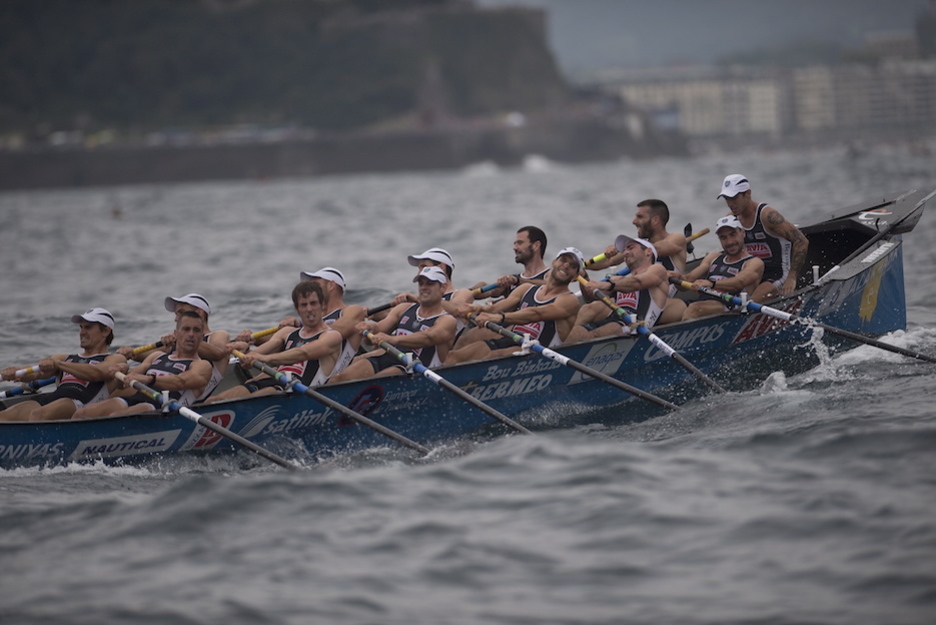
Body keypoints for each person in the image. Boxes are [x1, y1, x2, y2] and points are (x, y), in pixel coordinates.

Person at [444, 248, 584, 364]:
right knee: (453, 357)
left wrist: (500, 318)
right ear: (554, 262)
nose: (566, 266)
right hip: (511, 340)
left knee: (491, 357)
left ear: (575, 276)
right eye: (564, 260)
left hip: (537, 355)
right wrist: (478, 308)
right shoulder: (527, 289)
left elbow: (537, 313)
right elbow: (495, 308)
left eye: (573, 266)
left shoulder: (569, 300)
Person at [211, 280, 343, 399]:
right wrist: (246, 351)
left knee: (266, 391)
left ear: (322, 305)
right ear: (297, 310)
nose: (309, 309)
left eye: (313, 303)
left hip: (296, 393)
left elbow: (304, 353)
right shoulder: (287, 333)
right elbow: (260, 352)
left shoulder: (331, 336)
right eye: (303, 305)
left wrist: (265, 359)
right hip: (273, 381)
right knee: (224, 397)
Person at [72, 310, 213, 418]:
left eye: (196, 330)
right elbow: (124, 383)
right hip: (135, 399)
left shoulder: (202, 365)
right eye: (186, 329)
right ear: (176, 334)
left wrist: (149, 379)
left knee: (115, 417)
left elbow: (181, 382)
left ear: (202, 336)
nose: (191, 334)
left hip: (160, 409)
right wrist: (123, 370)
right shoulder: (157, 356)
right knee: (82, 414)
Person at [330, 266, 458, 381]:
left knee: (375, 381)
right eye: (421, 283)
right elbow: (378, 331)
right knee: (340, 378)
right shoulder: (404, 308)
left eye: (430, 284)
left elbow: (428, 337)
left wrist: (393, 339)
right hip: (390, 356)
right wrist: (369, 327)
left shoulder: (447, 320)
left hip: (417, 369)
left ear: (443, 287)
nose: (424, 287)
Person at [0, 308, 126, 421]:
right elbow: (36, 373)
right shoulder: (63, 358)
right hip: (52, 401)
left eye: (88, 327)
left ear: (106, 331)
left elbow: (97, 373)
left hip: (80, 405)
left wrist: (59, 365)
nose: (82, 332)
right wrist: (15, 372)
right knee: (4, 417)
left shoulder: (114, 359)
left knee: (39, 415)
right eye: (81, 327)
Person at [238, 267, 366, 373]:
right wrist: (253, 339)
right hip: (300, 367)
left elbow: (335, 332)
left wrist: (299, 325)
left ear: (331, 285)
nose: (310, 289)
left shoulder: (351, 311)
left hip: (329, 376)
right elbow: (288, 341)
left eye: (315, 283)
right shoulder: (313, 321)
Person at [588, 198, 688, 323]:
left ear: (655, 220)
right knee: (592, 308)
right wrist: (580, 265)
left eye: (640, 217)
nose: (634, 221)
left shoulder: (676, 238)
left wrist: (628, 250)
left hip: (660, 305)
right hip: (636, 300)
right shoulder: (640, 248)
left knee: (680, 306)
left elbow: (657, 248)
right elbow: (608, 262)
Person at [117, 293, 229, 401]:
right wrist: (129, 353)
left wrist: (183, 339)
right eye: (176, 314)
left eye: (181, 312)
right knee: (118, 390)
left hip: (188, 395)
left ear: (199, 312)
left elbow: (219, 353)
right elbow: (150, 356)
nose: (176, 319)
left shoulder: (218, 335)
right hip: (166, 388)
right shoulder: (178, 343)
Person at [717, 174, 808, 302]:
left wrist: (792, 277)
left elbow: (801, 241)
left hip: (777, 274)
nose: (730, 203)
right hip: (751, 273)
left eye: (734, 197)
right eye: (726, 198)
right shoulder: (731, 219)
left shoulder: (767, 216)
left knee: (750, 304)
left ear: (747, 193)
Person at [565, 235, 669, 343]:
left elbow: (638, 282)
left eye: (630, 248)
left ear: (648, 251)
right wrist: (584, 277)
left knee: (594, 335)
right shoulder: (618, 279)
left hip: (637, 328)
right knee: (575, 332)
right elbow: (590, 296)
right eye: (624, 250)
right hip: (614, 320)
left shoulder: (658, 270)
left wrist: (606, 284)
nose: (625, 253)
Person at [680, 216, 765, 320]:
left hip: (731, 307)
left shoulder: (753, 262)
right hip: (703, 302)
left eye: (732, 235)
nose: (729, 242)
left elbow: (739, 282)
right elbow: (687, 280)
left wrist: (712, 284)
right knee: (668, 308)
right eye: (723, 238)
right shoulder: (714, 257)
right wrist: (673, 276)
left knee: (694, 309)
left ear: (742, 232)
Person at [471, 226, 550, 298]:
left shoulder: (551, 274)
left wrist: (518, 281)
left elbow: (551, 285)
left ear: (536, 245)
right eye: (514, 244)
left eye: (520, 243)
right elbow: (489, 290)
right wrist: (468, 292)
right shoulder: (511, 281)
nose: (514, 248)